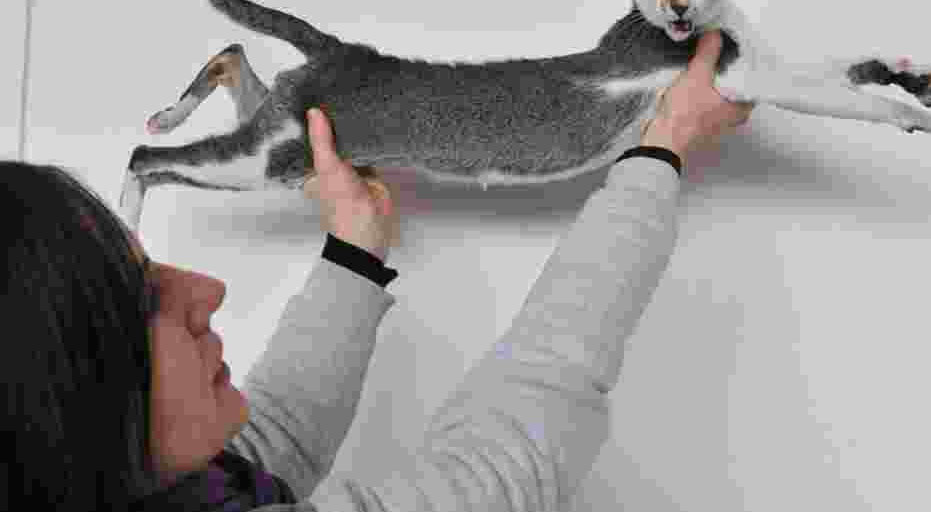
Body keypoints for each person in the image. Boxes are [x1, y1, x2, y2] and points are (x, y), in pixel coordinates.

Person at [2, 30, 754, 510]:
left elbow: (268, 453)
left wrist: (353, 251)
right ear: (65, 405)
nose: (206, 289)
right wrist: (658, 152)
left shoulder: (157, 489)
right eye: (144, 301)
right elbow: (501, 470)